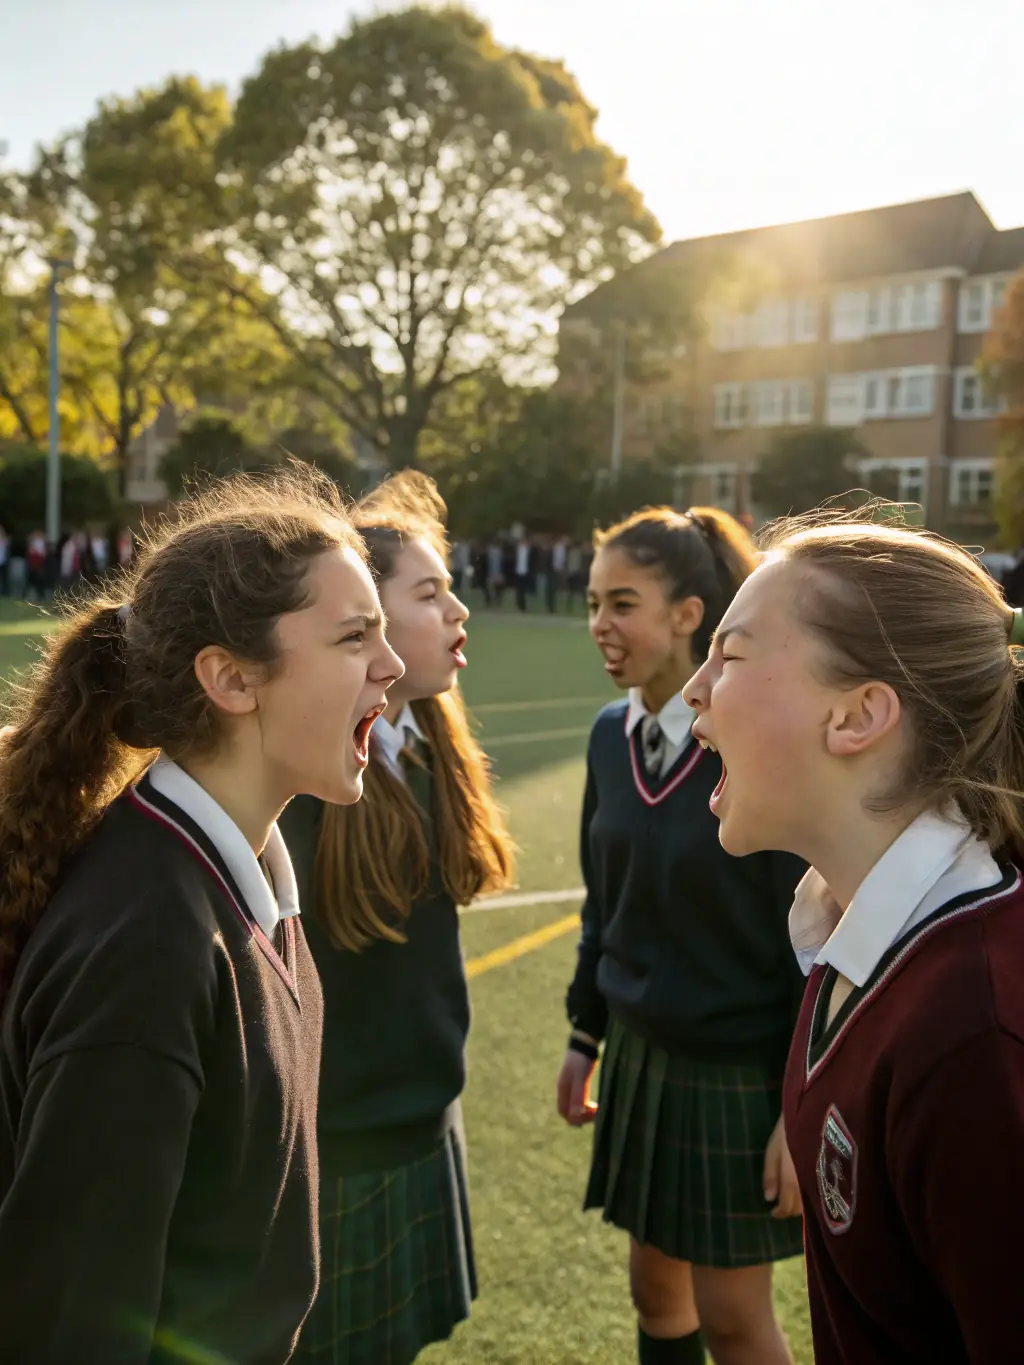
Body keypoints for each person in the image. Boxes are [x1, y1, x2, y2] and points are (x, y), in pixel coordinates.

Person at [0, 466, 403, 1363]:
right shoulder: (147, 945)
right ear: (230, 677)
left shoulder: (246, 883)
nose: (393, 664)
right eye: (352, 636)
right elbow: (70, 1327)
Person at [684, 514, 1024, 1364]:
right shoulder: (846, 926)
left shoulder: (978, 1035)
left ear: (858, 715)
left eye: (729, 655)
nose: (695, 688)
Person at [559, 507, 805, 1365]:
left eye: (622, 602)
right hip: (638, 1053)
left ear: (689, 614)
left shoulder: (749, 745)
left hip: (741, 1071)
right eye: (593, 601)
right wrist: (585, 1033)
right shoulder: (606, 736)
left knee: (736, 1323)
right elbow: (604, 902)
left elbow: (809, 942)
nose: (600, 623)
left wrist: (796, 1104)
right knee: (655, 1291)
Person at [281, 471, 514, 1365]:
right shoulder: (316, 780)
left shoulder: (426, 746)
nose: (458, 611)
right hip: (338, 1142)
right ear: (362, 622)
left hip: (418, 1114)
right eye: (429, 592)